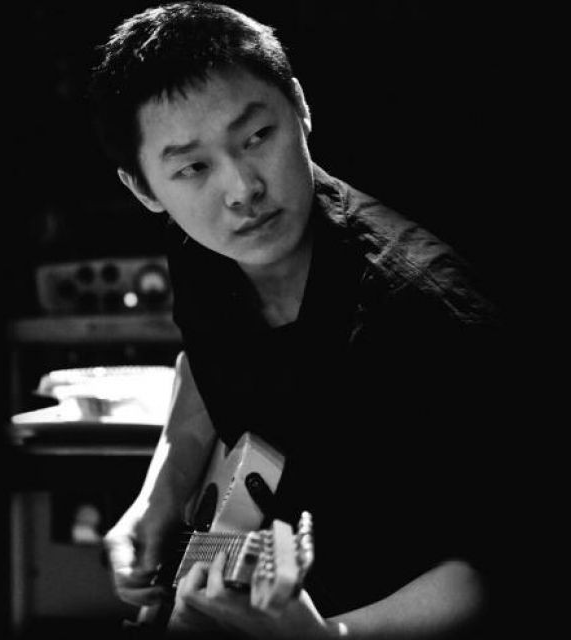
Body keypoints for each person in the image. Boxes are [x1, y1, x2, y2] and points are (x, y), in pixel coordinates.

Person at [89, 2, 511, 637]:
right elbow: (204, 359)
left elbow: (496, 568)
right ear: (146, 189)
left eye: (258, 136)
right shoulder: (201, 243)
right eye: (193, 168)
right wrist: (158, 500)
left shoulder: (426, 312)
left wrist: (325, 637)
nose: (242, 189)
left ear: (300, 108)